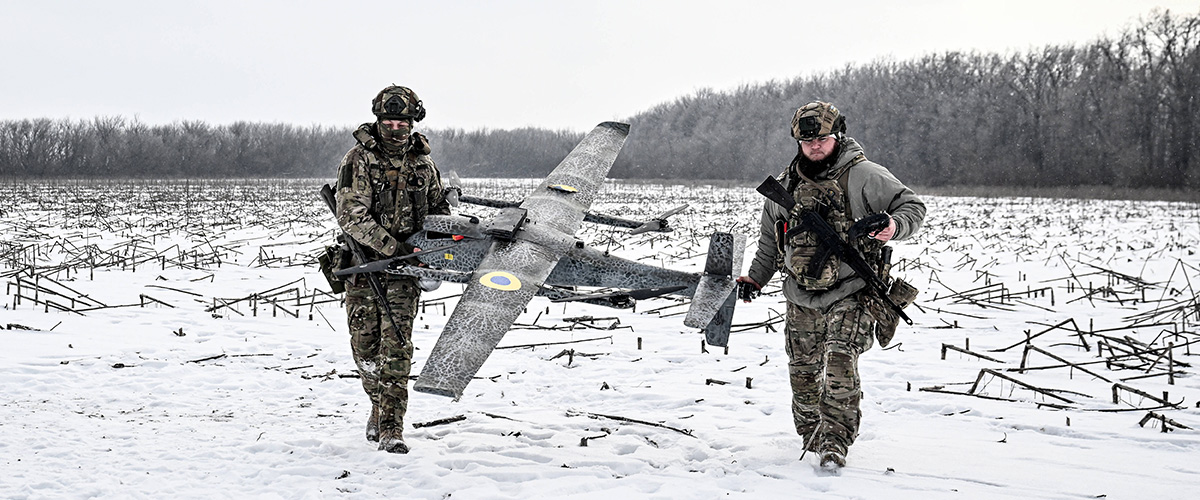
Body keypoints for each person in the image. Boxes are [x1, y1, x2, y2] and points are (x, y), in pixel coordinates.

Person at [736, 101, 925, 470]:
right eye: (807, 141)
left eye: (822, 138)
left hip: (851, 290)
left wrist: (892, 226)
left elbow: (912, 206)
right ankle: (812, 436)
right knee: (803, 374)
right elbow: (770, 243)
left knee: (840, 363)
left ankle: (836, 443)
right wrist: (756, 278)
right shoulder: (785, 186)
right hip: (800, 294)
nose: (815, 146)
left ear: (836, 135)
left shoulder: (864, 175)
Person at [334, 85, 450, 454]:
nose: (395, 128)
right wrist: (392, 247)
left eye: (403, 121)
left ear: (413, 122)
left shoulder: (423, 164)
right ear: (378, 120)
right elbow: (351, 216)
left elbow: (438, 211)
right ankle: (377, 404)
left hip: (405, 274)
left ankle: (391, 428)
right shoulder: (358, 159)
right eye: (388, 121)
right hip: (364, 268)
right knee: (365, 351)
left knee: (397, 350)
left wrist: (431, 244)